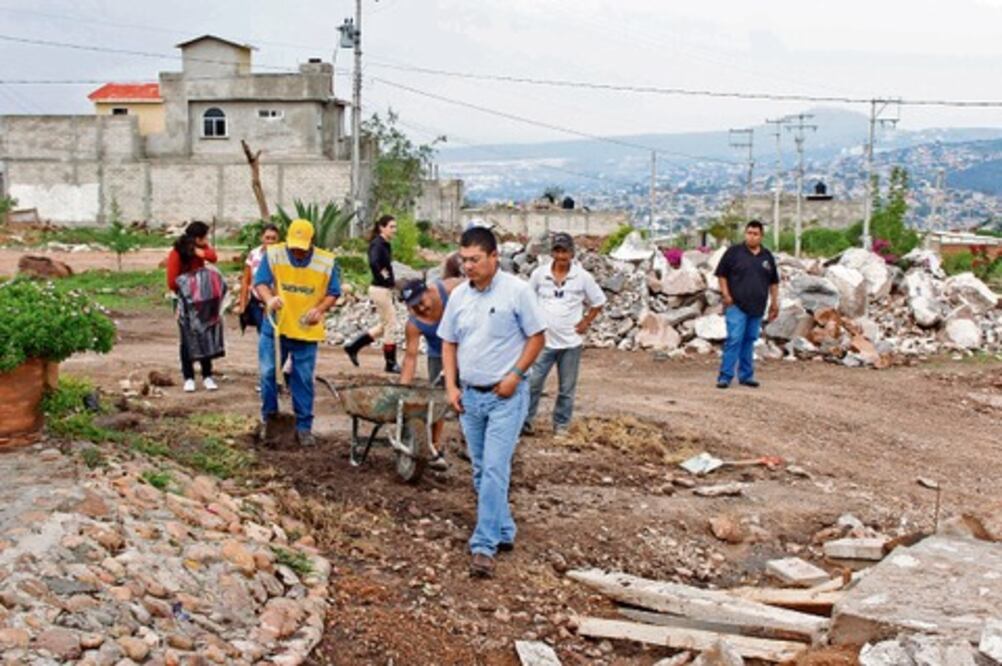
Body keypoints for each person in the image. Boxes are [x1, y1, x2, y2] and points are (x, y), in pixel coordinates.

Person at [439, 226, 546, 578]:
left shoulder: (517, 292)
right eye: (463, 259)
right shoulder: (458, 297)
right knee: (482, 470)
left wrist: (515, 375)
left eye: (475, 259)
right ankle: (503, 529)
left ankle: (483, 546)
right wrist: (451, 386)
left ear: (493, 258)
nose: (467, 266)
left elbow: (536, 337)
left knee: (496, 468)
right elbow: (449, 342)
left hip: (506, 396)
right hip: (470, 397)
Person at [254, 219, 341, 447]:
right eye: (293, 247)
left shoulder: (326, 261)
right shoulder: (274, 255)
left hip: (306, 329)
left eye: (301, 248)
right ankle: (269, 419)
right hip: (277, 326)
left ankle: (304, 427)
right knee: (268, 373)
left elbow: (333, 292)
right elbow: (260, 282)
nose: (297, 252)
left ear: (311, 242)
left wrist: (320, 309)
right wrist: (269, 299)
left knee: (303, 378)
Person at [523, 232, 606, 437]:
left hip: (570, 343)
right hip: (543, 342)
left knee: (566, 389)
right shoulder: (539, 275)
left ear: (572, 253)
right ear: (552, 252)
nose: (561, 256)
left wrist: (586, 321)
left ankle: (561, 425)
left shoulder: (582, 277)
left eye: (565, 251)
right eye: (558, 251)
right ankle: (525, 422)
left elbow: (598, 301)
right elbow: (527, 300)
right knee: (533, 384)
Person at [399, 277, 463, 469]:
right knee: (438, 400)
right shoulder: (414, 324)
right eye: (413, 306)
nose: (420, 309)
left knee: (471, 398)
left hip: (468, 349)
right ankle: (435, 448)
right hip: (438, 354)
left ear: (428, 291)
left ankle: (472, 445)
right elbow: (410, 358)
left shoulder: (452, 291)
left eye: (421, 302)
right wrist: (402, 390)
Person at [714, 220, 780, 389]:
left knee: (749, 341)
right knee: (734, 339)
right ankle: (725, 376)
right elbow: (722, 275)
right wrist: (726, 295)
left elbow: (773, 282)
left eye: (755, 234)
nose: (751, 236)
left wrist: (774, 303)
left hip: (757, 306)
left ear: (761, 236)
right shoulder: (734, 252)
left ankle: (746, 375)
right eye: (749, 233)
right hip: (736, 305)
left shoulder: (767, 256)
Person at [166, 221, 220, 392]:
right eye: (205, 236)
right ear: (198, 238)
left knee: (205, 335)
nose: (207, 239)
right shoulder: (177, 253)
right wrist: (190, 287)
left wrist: (199, 251)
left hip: (202, 300)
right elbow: (172, 281)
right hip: (185, 300)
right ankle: (188, 377)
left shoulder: (200, 251)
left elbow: (213, 257)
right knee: (187, 339)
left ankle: (207, 375)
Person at [343, 214, 400, 372]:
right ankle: (390, 362)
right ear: (382, 227)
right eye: (391, 227)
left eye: (395, 227)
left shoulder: (384, 244)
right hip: (380, 289)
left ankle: (354, 346)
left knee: (384, 325)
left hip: (383, 288)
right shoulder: (378, 244)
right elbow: (374, 263)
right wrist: (385, 277)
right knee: (391, 324)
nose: (394, 230)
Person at [237, 224, 281, 333]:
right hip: (257, 301)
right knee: (263, 332)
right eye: (267, 238)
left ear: (278, 239)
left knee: (274, 333)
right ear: (262, 238)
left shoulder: (282, 256)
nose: (270, 241)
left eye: (273, 238)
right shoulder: (254, 254)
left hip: (276, 302)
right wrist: (242, 304)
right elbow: (246, 280)